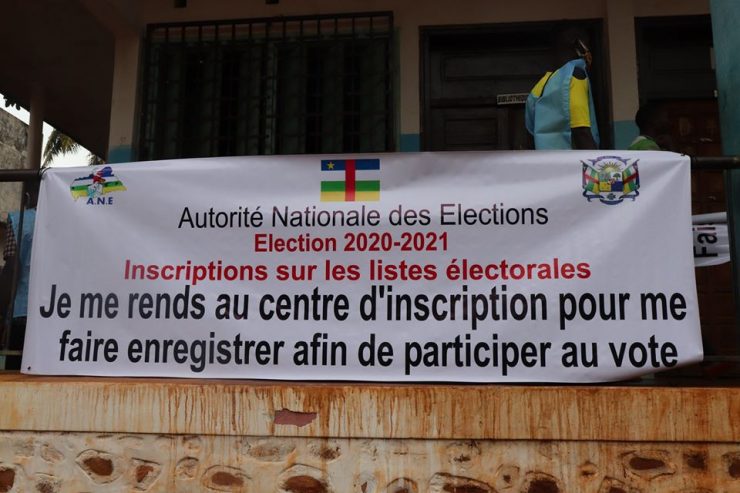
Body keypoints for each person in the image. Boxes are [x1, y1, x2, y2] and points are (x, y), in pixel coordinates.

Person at [525, 27, 599, 150]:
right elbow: (581, 130)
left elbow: (529, 130)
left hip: (544, 158)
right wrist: (595, 160)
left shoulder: (543, 83)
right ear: (580, 46)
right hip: (570, 159)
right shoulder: (575, 76)